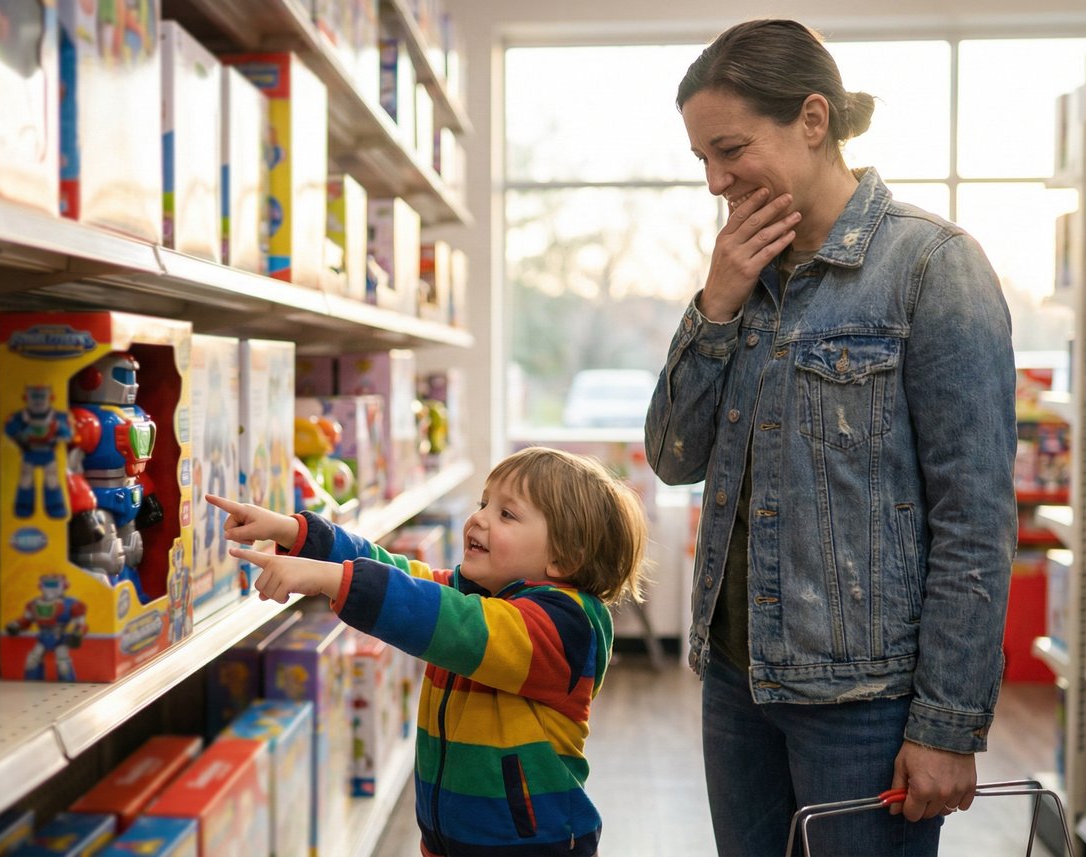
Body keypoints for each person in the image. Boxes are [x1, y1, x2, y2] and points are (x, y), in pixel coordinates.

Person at [643, 19, 1017, 857]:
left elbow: (975, 518)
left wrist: (949, 723)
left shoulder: (933, 267)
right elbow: (672, 456)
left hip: (866, 708)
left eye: (730, 149)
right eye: (702, 158)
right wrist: (716, 304)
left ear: (813, 119)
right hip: (737, 687)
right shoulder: (743, 275)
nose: (715, 180)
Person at [209, 446, 646, 857]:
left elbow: (458, 627)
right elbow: (399, 572)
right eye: (483, 504)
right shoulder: (484, 596)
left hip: (531, 845)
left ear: (566, 558)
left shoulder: (565, 628)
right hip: (450, 839)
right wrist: (299, 535)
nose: (479, 520)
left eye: (507, 514)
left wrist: (331, 580)